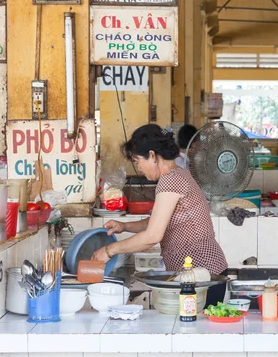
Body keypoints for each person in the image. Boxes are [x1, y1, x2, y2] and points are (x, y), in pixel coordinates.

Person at [92, 124, 228, 305]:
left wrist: (109, 251)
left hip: (203, 275)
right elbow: (160, 222)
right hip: (202, 273)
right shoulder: (177, 175)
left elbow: (153, 236)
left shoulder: (170, 181)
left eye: (137, 160)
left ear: (152, 155)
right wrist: (124, 226)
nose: (138, 167)